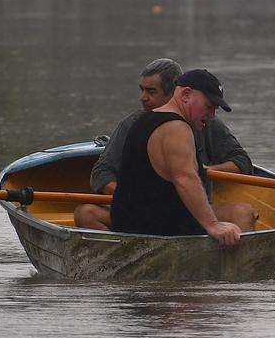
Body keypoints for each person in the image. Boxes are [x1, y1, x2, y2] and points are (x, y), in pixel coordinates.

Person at [74, 58, 253, 231]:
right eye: (142, 90)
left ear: (176, 92)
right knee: (86, 213)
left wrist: (205, 170)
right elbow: (101, 173)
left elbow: (242, 161)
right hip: (147, 214)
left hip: (188, 213)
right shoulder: (134, 124)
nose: (142, 98)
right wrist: (131, 199)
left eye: (151, 91)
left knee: (243, 213)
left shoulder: (205, 120)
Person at [110, 69, 255, 245]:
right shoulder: (177, 127)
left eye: (215, 110)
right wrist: (213, 225)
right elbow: (184, 178)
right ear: (186, 94)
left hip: (128, 227)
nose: (211, 116)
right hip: (158, 234)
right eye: (208, 106)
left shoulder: (144, 121)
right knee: (238, 222)